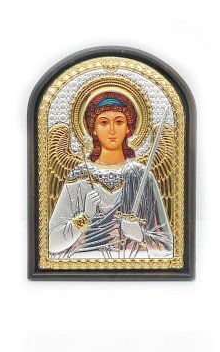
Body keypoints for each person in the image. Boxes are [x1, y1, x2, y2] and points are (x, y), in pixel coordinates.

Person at [48, 91, 173, 259]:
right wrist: (84, 217)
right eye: (104, 122)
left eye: (119, 122)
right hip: (85, 266)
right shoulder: (79, 176)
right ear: (93, 129)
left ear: (128, 128)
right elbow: (51, 244)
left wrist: (141, 235)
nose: (112, 130)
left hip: (133, 266)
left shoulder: (142, 176)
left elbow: (169, 248)